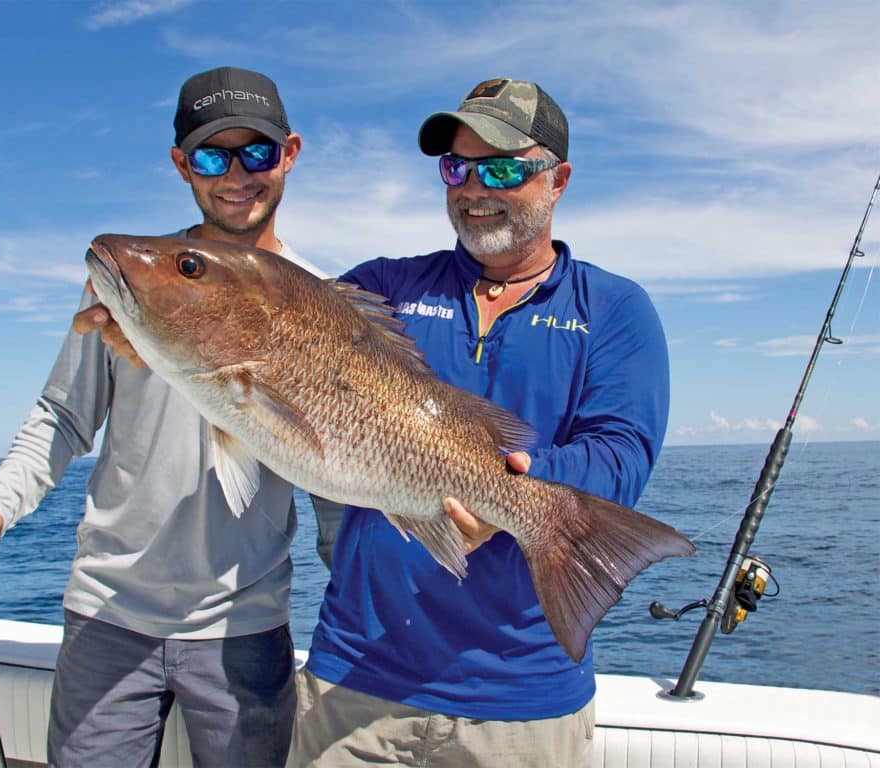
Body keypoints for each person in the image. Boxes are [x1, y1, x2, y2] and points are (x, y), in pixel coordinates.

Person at [0, 65, 322, 768]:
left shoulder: (323, 301)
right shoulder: (134, 280)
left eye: (255, 152)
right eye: (210, 156)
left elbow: (345, 475)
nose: (235, 174)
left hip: (246, 626)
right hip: (109, 615)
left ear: (288, 153)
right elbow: (62, 415)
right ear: (181, 166)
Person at [287, 78, 670, 767]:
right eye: (455, 168)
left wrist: (511, 489)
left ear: (558, 179)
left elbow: (621, 457)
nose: (471, 188)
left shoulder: (613, 309)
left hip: (521, 701)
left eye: (500, 168)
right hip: (355, 681)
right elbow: (288, 341)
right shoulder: (384, 287)